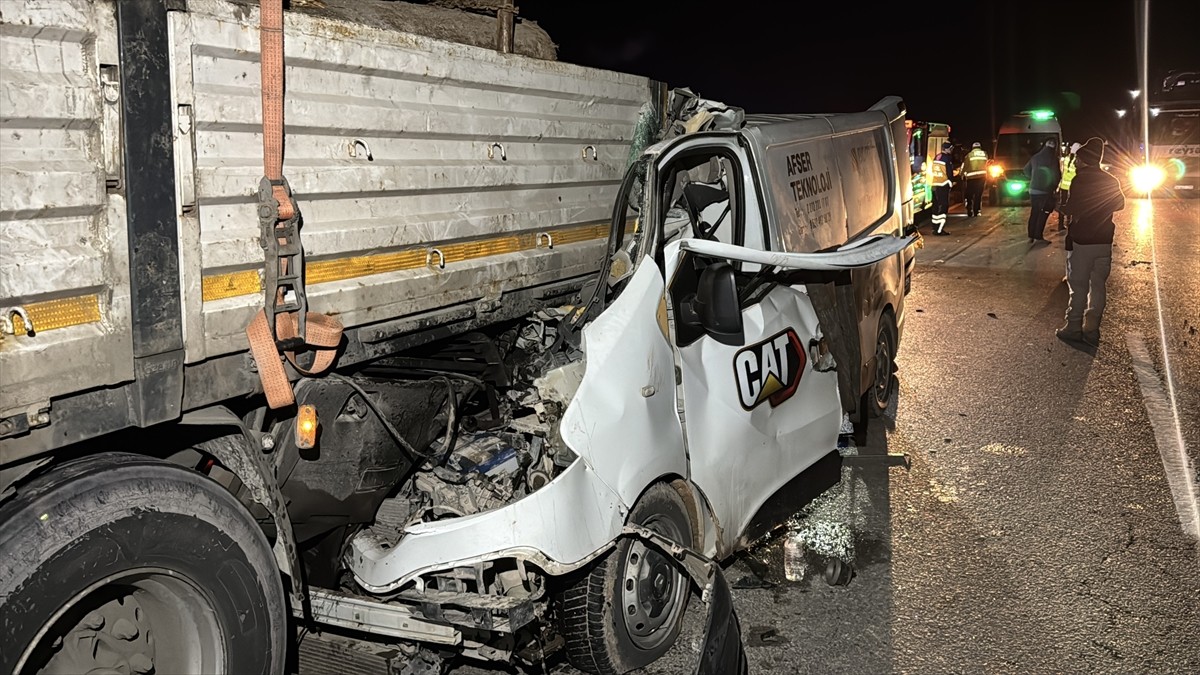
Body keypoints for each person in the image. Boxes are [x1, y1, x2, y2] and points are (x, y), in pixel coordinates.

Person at [1056, 137, 1125, 347]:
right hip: (1103, 241)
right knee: (1098, 286)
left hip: (1082, 242)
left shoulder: (1081, 179)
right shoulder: (1110, 180)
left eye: (1078, 158)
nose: (1075, 162)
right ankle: (1092, 329)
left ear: (1085, 160)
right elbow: (1120, 204)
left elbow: (1073, 207)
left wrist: (1061, 206)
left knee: (1078, 286)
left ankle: (1073, 327)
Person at [1023, 137, 1062, 243]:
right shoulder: (1053, 158)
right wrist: (1054, 188)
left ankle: (1031, 235)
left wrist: (1033, 178)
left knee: (1034, 212)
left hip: (1033, 189)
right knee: (1044, 213)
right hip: (1045, 191)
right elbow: (1056, 175)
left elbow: (1025, 170)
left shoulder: (1035, 157)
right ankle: (1038, 236)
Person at [930, 141, 957, 235]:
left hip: (934, 184)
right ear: (947, 149)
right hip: (943, 185)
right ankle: (939, 229)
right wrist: (951, 181)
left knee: (935, 207)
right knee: (943, 207)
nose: (951, 151)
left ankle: (935, 228)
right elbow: (949, 172)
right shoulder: (947, 159)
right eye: (951, 149)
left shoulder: (937, 157)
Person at [1055, 142, 1081, 230]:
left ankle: (1060, 224)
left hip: (1064, 186)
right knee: (1072, 204)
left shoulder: (1066, 159)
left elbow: (1062, 171)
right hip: (1073, 186)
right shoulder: (1077, 160)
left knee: (1063, 203)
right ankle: (1070, 222)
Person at [962, 142, 989, 217]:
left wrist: (962, 175)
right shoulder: (985, 154)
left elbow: (965, 166)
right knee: (978, 194)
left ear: (972, 148)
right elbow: (987, 164)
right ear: (980, 147)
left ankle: (969, 208)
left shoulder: (969, 155)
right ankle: (976, 211)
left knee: (969, 194)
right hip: (982, 177)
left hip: (971, 178)